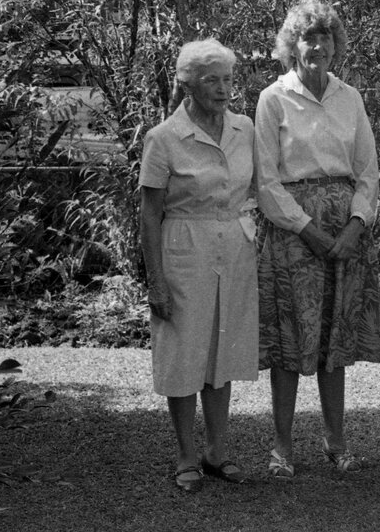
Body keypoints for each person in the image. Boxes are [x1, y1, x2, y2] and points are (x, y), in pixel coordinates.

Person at [255, 0, 380, 478]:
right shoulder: (274, 98)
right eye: (308, 37)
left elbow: (368, 171)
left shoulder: (350, 97)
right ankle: (282, 446)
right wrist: (306, 228)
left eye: (324, 36)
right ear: (292, 45)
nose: (317, 46)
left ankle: (336, 440)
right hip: (293, 233)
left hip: (346, 232)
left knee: (335, 339)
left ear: (335, 44)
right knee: (289, 342)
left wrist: (356, 224)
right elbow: (266, 181)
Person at [139, 38, 258, 492]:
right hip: (184, 250)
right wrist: (155, 281)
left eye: (228, 79)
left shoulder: (244, 128)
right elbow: (149, 213)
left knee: (222, 349)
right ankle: (186, 455)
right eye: (212, 80)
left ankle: (217, 451)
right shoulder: (163, 137)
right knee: (184, 353)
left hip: (235, 249)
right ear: (188, 85)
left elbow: (259, 189)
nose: (224, 89)